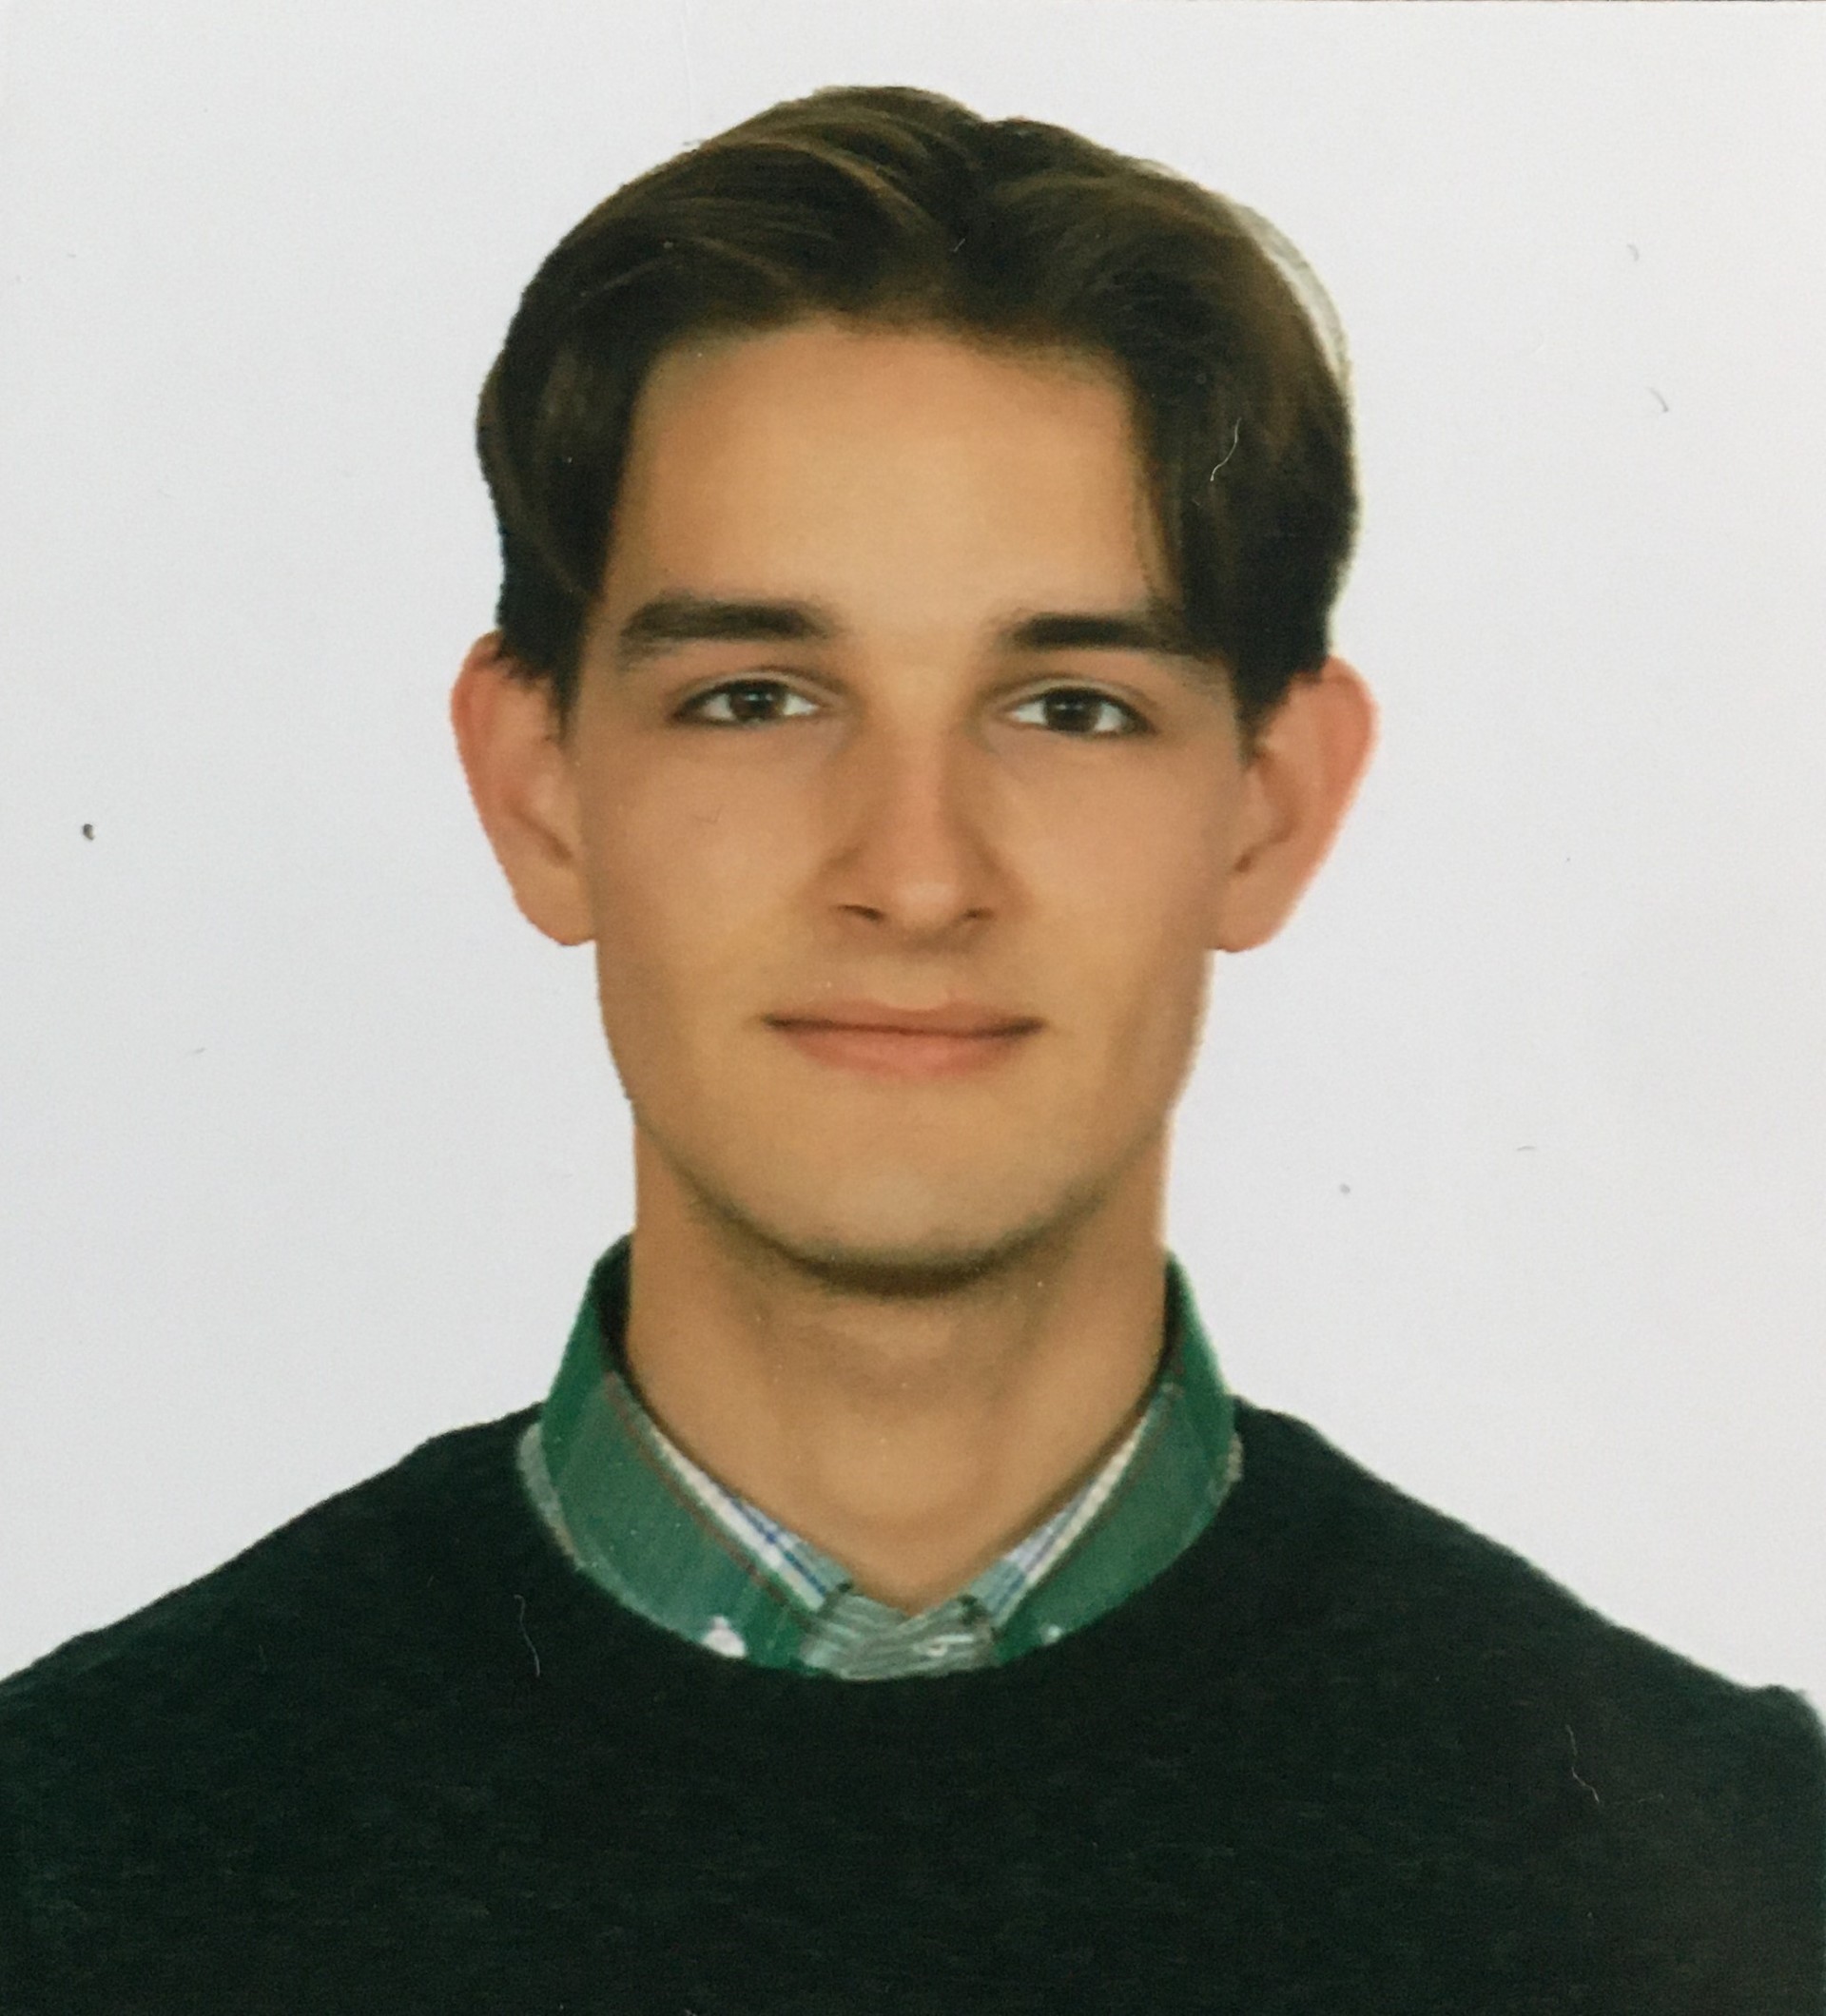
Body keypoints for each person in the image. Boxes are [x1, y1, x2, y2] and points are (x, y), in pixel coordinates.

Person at [1, 83, 1818, 2015]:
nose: (917, 873)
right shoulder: (70, 1861)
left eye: (1070, 706)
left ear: (1272, 804)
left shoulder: (1743, 1889)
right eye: (757, 696)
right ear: (538, 789)